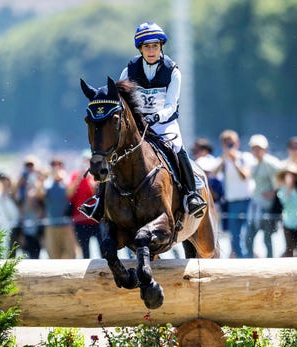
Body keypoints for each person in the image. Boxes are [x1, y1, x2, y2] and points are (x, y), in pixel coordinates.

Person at [80, 21, 207, 221]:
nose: (151, 50)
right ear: (140, 48)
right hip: (138, 124)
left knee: (177, 147)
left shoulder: (172, 71)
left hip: (164, 123)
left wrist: (157, 116)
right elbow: (119, 101)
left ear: (160, 47)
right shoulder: (129, 71)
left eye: (155, 46)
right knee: (114, 153)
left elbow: (172, 105)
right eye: (147, 46)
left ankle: (191, 195)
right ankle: (100, 200)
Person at [213, 130, 254, 258]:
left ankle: (246, 258)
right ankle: (242, 259)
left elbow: (245, 176)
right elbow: (214, 174)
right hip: (231, 201)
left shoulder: (245, 157)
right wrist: (224, 158)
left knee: (246, 233)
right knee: (234, 235)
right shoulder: (223, 160)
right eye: (226, 143)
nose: (229, 145)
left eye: (231, 143)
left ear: (237, 143)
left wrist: (234, 160)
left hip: (246, 200)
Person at [245, 134, 282, 258]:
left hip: (267, 206)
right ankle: (249, 262)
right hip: (256, 205)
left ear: (265, 148)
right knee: (249, 237)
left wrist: (274, 192)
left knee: (267, 238)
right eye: (254, 148)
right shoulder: (255, 164)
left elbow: (284, 176)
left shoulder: (271, 162)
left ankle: (270, 262)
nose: (256, 151)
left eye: (258, 148)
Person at [37, 157, 77, 259]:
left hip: (66, 225)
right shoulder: (47, 183)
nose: (56, 168)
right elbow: (40, 195)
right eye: (53, 165)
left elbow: (70, 193)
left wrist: (63, 178)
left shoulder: (66, 180)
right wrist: (42, 178)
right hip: (51, 225)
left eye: (59, 165)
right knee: (53, 255)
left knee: (70, 255)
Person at [67, 150, 102, 259]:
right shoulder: (75, 176)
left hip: (97, 220)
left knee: (103, 250)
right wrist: (78, 179)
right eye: (85, 160)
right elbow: (69, 195)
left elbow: (97, 194)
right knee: (85, 253)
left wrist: (91, 180)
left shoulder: (98, 176)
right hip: (80, 221)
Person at [15, 155, 44, 259]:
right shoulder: (22, 180)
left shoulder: (40, 178)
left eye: (32, 165)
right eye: (27, 165)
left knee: (38, 247)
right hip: (26, 219)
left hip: (39, 218)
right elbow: (17, 196)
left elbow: (41, 196)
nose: (30, 168)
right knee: (27, 248)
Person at [0, 172, 21, 257]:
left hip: (14, 227)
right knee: (2, 250)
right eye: (2, 180)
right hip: (2, 226)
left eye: (6, 180)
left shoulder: (13, 194)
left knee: (13, 251)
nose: (4, 182)